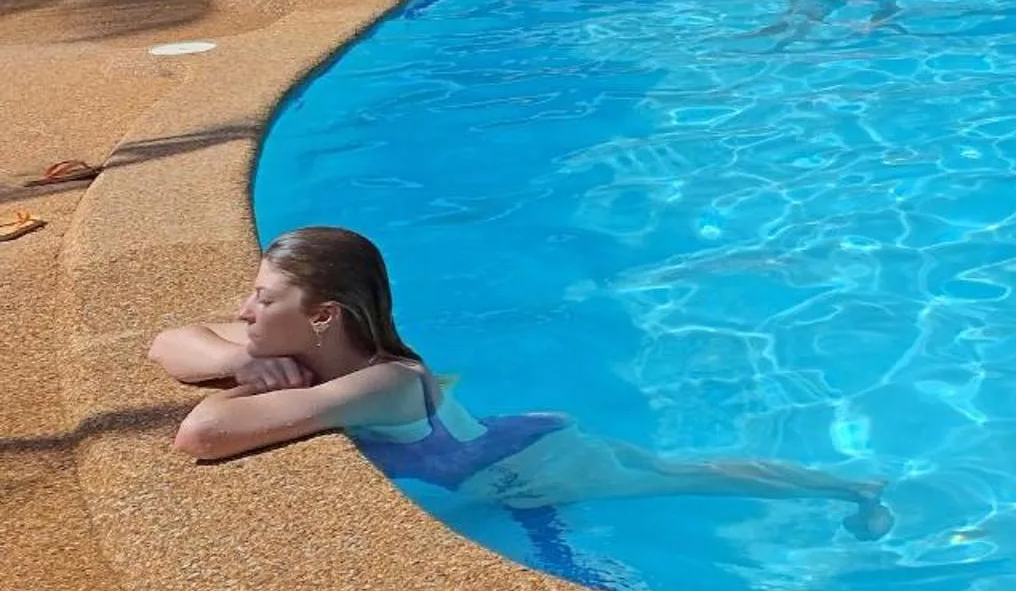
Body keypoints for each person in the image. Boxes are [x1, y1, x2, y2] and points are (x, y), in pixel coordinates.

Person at [147, 227, 892, 539]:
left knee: (690, 477)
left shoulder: (384, 381)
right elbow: (167, 341)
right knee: (677, 470)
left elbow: (202, 434)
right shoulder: (308, 349)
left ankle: (851, 490)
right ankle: (849, 488)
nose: (245, 311)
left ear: (323, 316)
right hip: (512, 440)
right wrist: (242, 359)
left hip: (535, 467)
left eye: (261, 299)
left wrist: (243, 377)